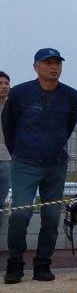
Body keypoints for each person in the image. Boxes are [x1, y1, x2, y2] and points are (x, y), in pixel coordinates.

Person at [2, 48, 77, 285]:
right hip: (25, 163)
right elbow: (8, 125)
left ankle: (43, 264)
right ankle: (15, 263)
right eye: (48, 63)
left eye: (58, 63)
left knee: (51, 216)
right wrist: (19, 152)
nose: (54, 67)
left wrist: (54, 146)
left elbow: (69, 125)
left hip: (56, 164)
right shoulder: (20, 93)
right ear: (36, 66)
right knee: (21, 213)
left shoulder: (70, 95)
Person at [0, 70, 10, 249]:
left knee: (1, 202)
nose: (4, 86)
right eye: (0, 84)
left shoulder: (13, 107)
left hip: (7, 159)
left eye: (6, 83)